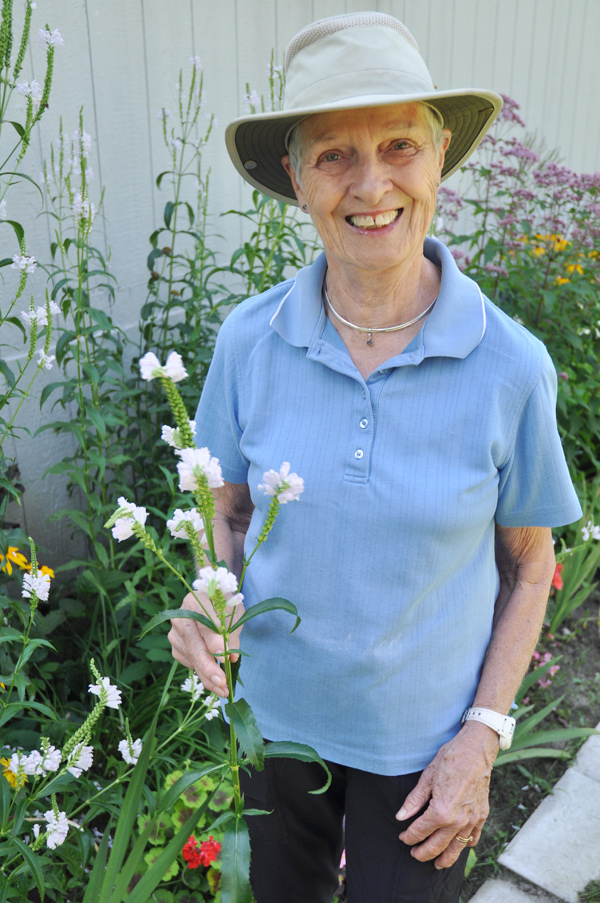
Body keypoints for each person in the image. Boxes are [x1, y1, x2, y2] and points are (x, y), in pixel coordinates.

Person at [168, 12, 582, 903]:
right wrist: (211, 585)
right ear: (295, 176)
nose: (372, 185)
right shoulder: (250, 339)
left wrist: (481, 735)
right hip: (276, 732)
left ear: (438, 159)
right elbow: (228, 508)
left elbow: (529, 560)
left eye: (399, 145)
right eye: (334, 156)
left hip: (428, 753)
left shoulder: (510, 365)